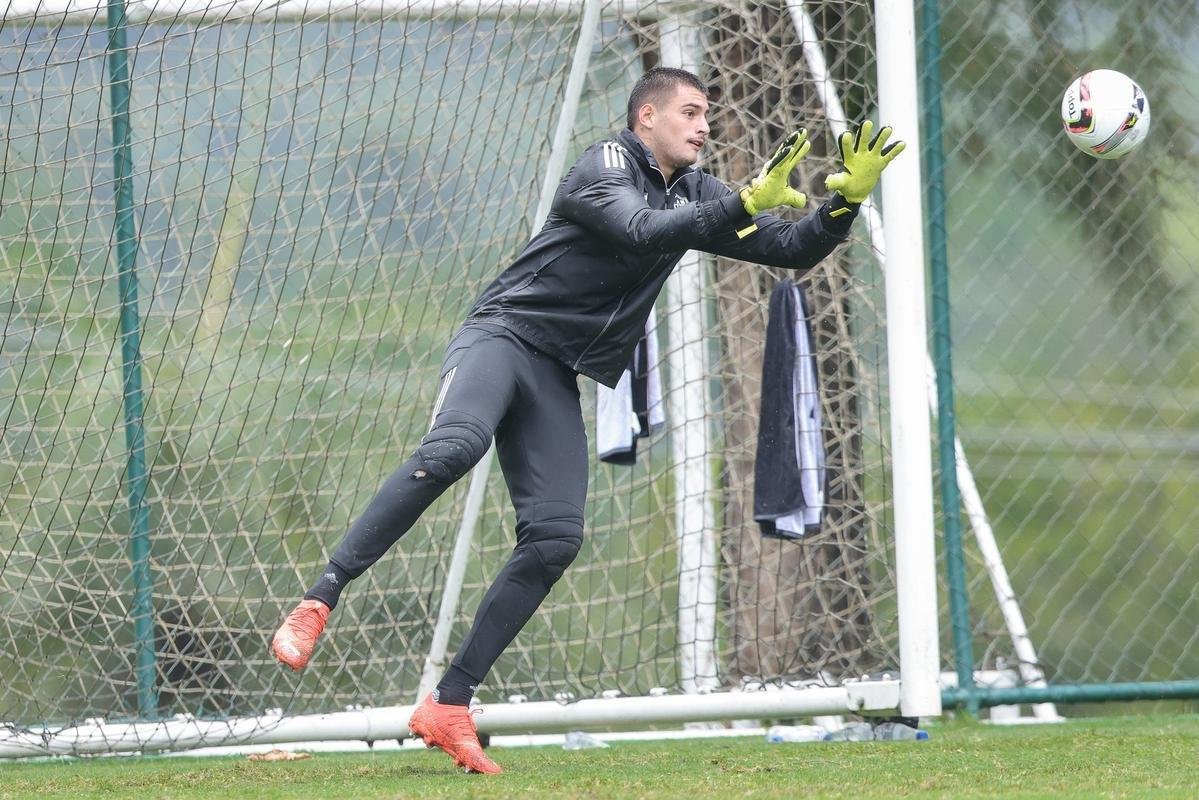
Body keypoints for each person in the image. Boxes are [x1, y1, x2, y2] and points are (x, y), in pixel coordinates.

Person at [270, 66, 904, 774]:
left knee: (554, 540)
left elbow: (789, 248)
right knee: (454, 448)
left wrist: (842, 204)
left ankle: (448, 705)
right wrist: (741, 204)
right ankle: (320, 599)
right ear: (645, 120)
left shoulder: (695, 192)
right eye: (690, 112)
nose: (703, 125)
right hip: (502, 338)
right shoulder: (602, 164)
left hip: (552, 374)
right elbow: (636, 230)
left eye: (706, 114)